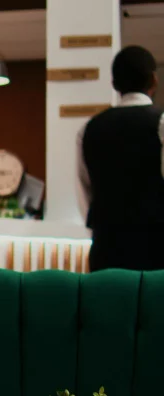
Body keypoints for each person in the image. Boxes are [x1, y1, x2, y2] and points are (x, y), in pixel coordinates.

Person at [78, 45, 164, 272]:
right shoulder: (162, 123)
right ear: (154, 80)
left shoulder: (89, 129)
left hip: (106, 251)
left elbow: (85, 194)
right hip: (156, 252)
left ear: (114, 84)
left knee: (108, 308)